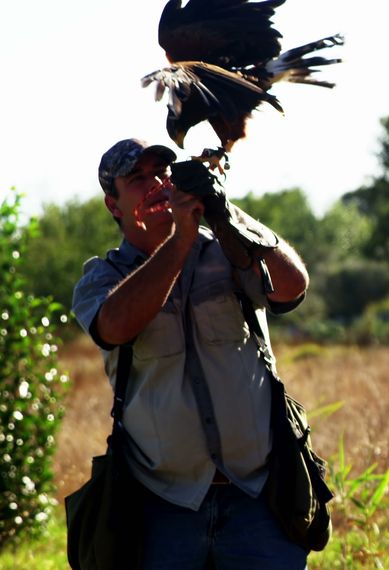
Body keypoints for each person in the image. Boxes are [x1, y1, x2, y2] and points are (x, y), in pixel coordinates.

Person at [72, 138, 310, 569]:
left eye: (161, 172)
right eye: (137, 179)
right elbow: (115, 326)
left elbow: (293, 286)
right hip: (160, 504)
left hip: (258, 496)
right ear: (113, 204)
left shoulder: (228, 245)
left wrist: (224, 211)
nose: (157, 184)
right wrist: (180, 239)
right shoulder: (102, 277)